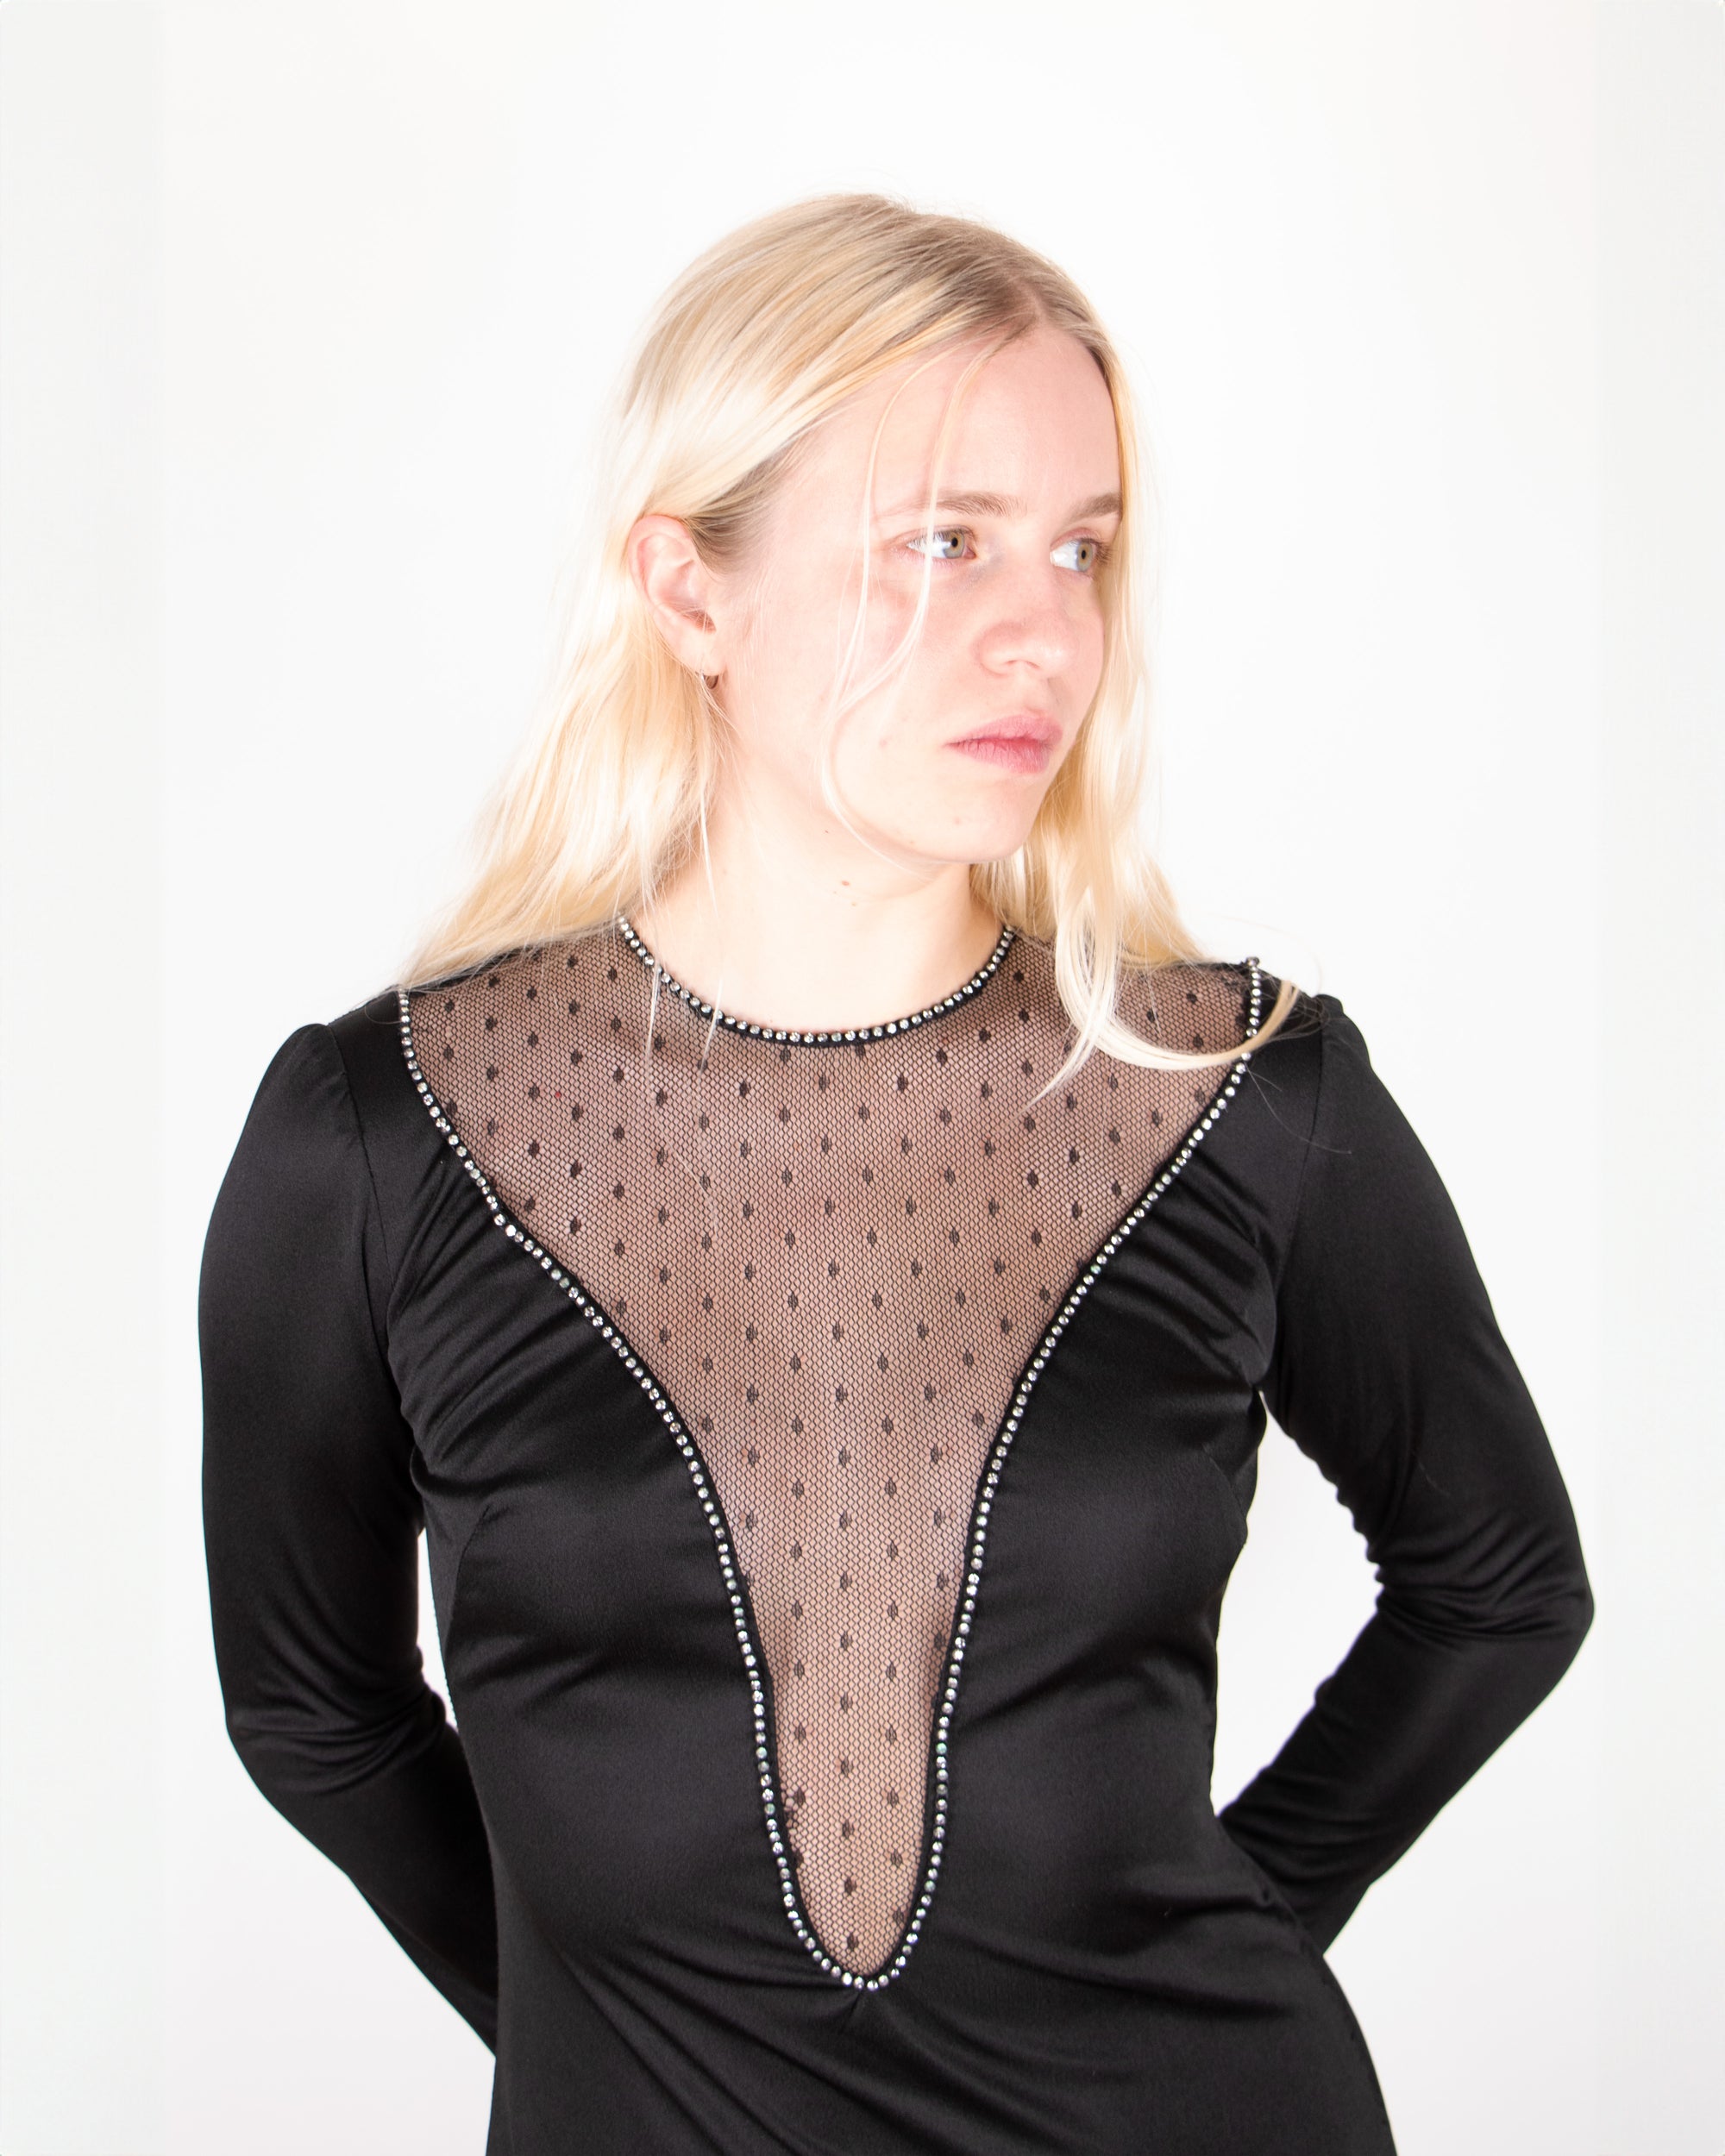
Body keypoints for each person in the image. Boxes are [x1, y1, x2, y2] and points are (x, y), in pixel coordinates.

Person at [199, 193, 1592, 2155]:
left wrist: (1219, 1947)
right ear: (690, 593)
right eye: (943, 540)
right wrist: (619, 2044)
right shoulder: (380, 1130)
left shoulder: (1242, 1093)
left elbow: (1502, 1586)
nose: (1044, 630)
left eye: (1081, 548)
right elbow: (312, 1706)